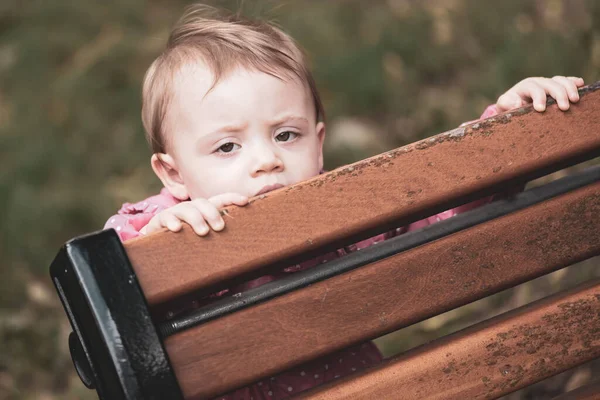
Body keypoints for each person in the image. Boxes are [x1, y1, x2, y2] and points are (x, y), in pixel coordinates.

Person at [103, 4, 584, 399]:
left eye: (286, 135)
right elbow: (107, 279)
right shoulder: (169, 225)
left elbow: (439, 215)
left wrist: (503, 136)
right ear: (173, 173)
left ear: (318, 144)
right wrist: (153, 252)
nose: (267, 160)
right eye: (228, 147)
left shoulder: (347, 210)